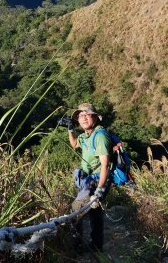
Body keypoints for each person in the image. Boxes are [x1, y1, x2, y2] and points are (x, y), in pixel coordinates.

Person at [63, 102, 112, 251]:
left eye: (87, 115)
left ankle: (77, 246)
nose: (83, 118)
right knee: (95, 214)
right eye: (80, 115)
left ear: (95, 118)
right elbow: (74, 144)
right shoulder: (85, 135)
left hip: (96, 181)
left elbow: (105, 165)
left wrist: (99, 190)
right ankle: (96, 246)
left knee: (75, 210)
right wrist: (70, 129)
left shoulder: (100, 136)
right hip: (87, 180)